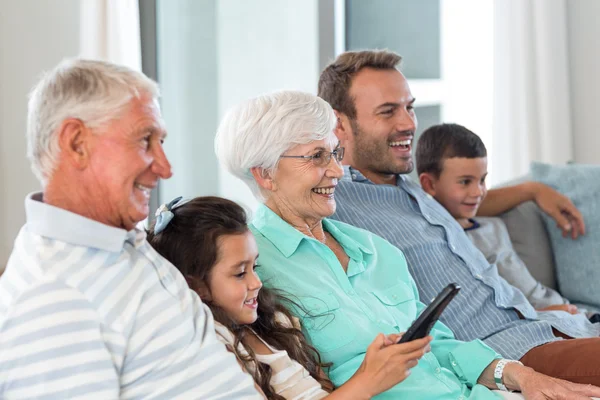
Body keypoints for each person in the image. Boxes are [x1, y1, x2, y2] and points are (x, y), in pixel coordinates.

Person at [214, 89, 600, 399]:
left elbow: (440, 344)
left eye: (334, 153)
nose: (335, 170)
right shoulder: (253, 268)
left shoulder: (376, 249)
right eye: (316, 157)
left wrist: (518, 375)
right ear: (264, 174)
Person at [318, 49, 600, 384]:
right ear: (339, 124)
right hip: (505, 351)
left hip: (546, 324)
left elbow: (471, 200)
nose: (408, 123)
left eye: (409, 107)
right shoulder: (333, 202)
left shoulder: (412, 190)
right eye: (387, 112)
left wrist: (532, 190)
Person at [0, 59, 260, 398]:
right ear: (77, 143)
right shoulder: (53, 296)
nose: (165, 169)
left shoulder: (119, 242)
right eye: (144, 140)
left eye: (161, 141)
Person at [146, 195, 428, 399]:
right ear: (195, 286)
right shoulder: (213, 346)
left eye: (254, 266)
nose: (257, 282)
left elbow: (323, 391)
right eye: (239, 273)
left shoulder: (275, 322)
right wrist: (369, 380)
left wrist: (371, 365)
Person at [415, 123, 577, 314]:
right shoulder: (445, 243)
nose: (478, 192)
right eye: (465, 182)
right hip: (541, 320)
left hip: (567, 310)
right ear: (429, 184)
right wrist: (546, 313)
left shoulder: (494, 224)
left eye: (482, 180)